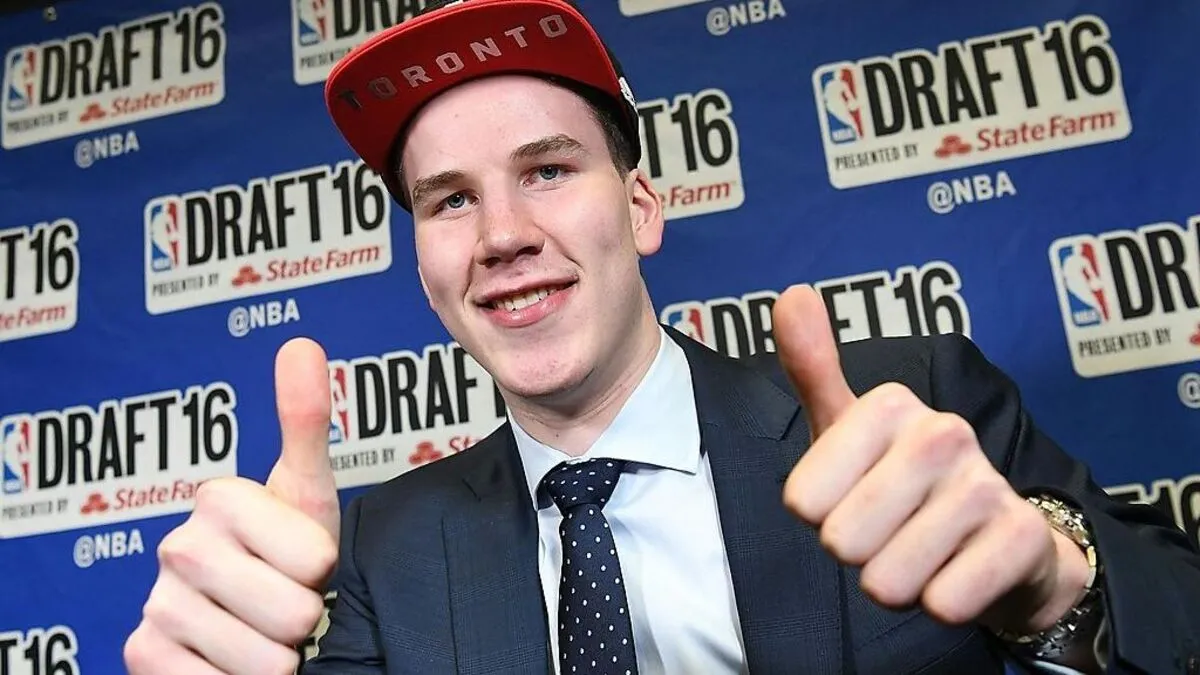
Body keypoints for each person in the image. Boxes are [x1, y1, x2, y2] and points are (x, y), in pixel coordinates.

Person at [122, 0, 1200, 673]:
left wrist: (1057, 590)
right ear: (424, 268)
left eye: (548, 170)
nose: (502, 235)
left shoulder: (911, 402)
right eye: (449, 200)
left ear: (641, 208)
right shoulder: (381, 550)